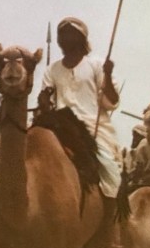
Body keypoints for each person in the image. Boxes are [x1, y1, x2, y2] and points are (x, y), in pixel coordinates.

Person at [35, 17, 122, 220]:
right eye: (61, 34)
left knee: (110, 171)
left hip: (92, 126)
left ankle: (109, 223)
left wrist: (108, 75)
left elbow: (111, 102)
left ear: (81, 37)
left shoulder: (96, 65)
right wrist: (43, 99)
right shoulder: (52, 69)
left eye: (69, 33)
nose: (64, 37)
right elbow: (46, 97)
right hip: (61, 125)